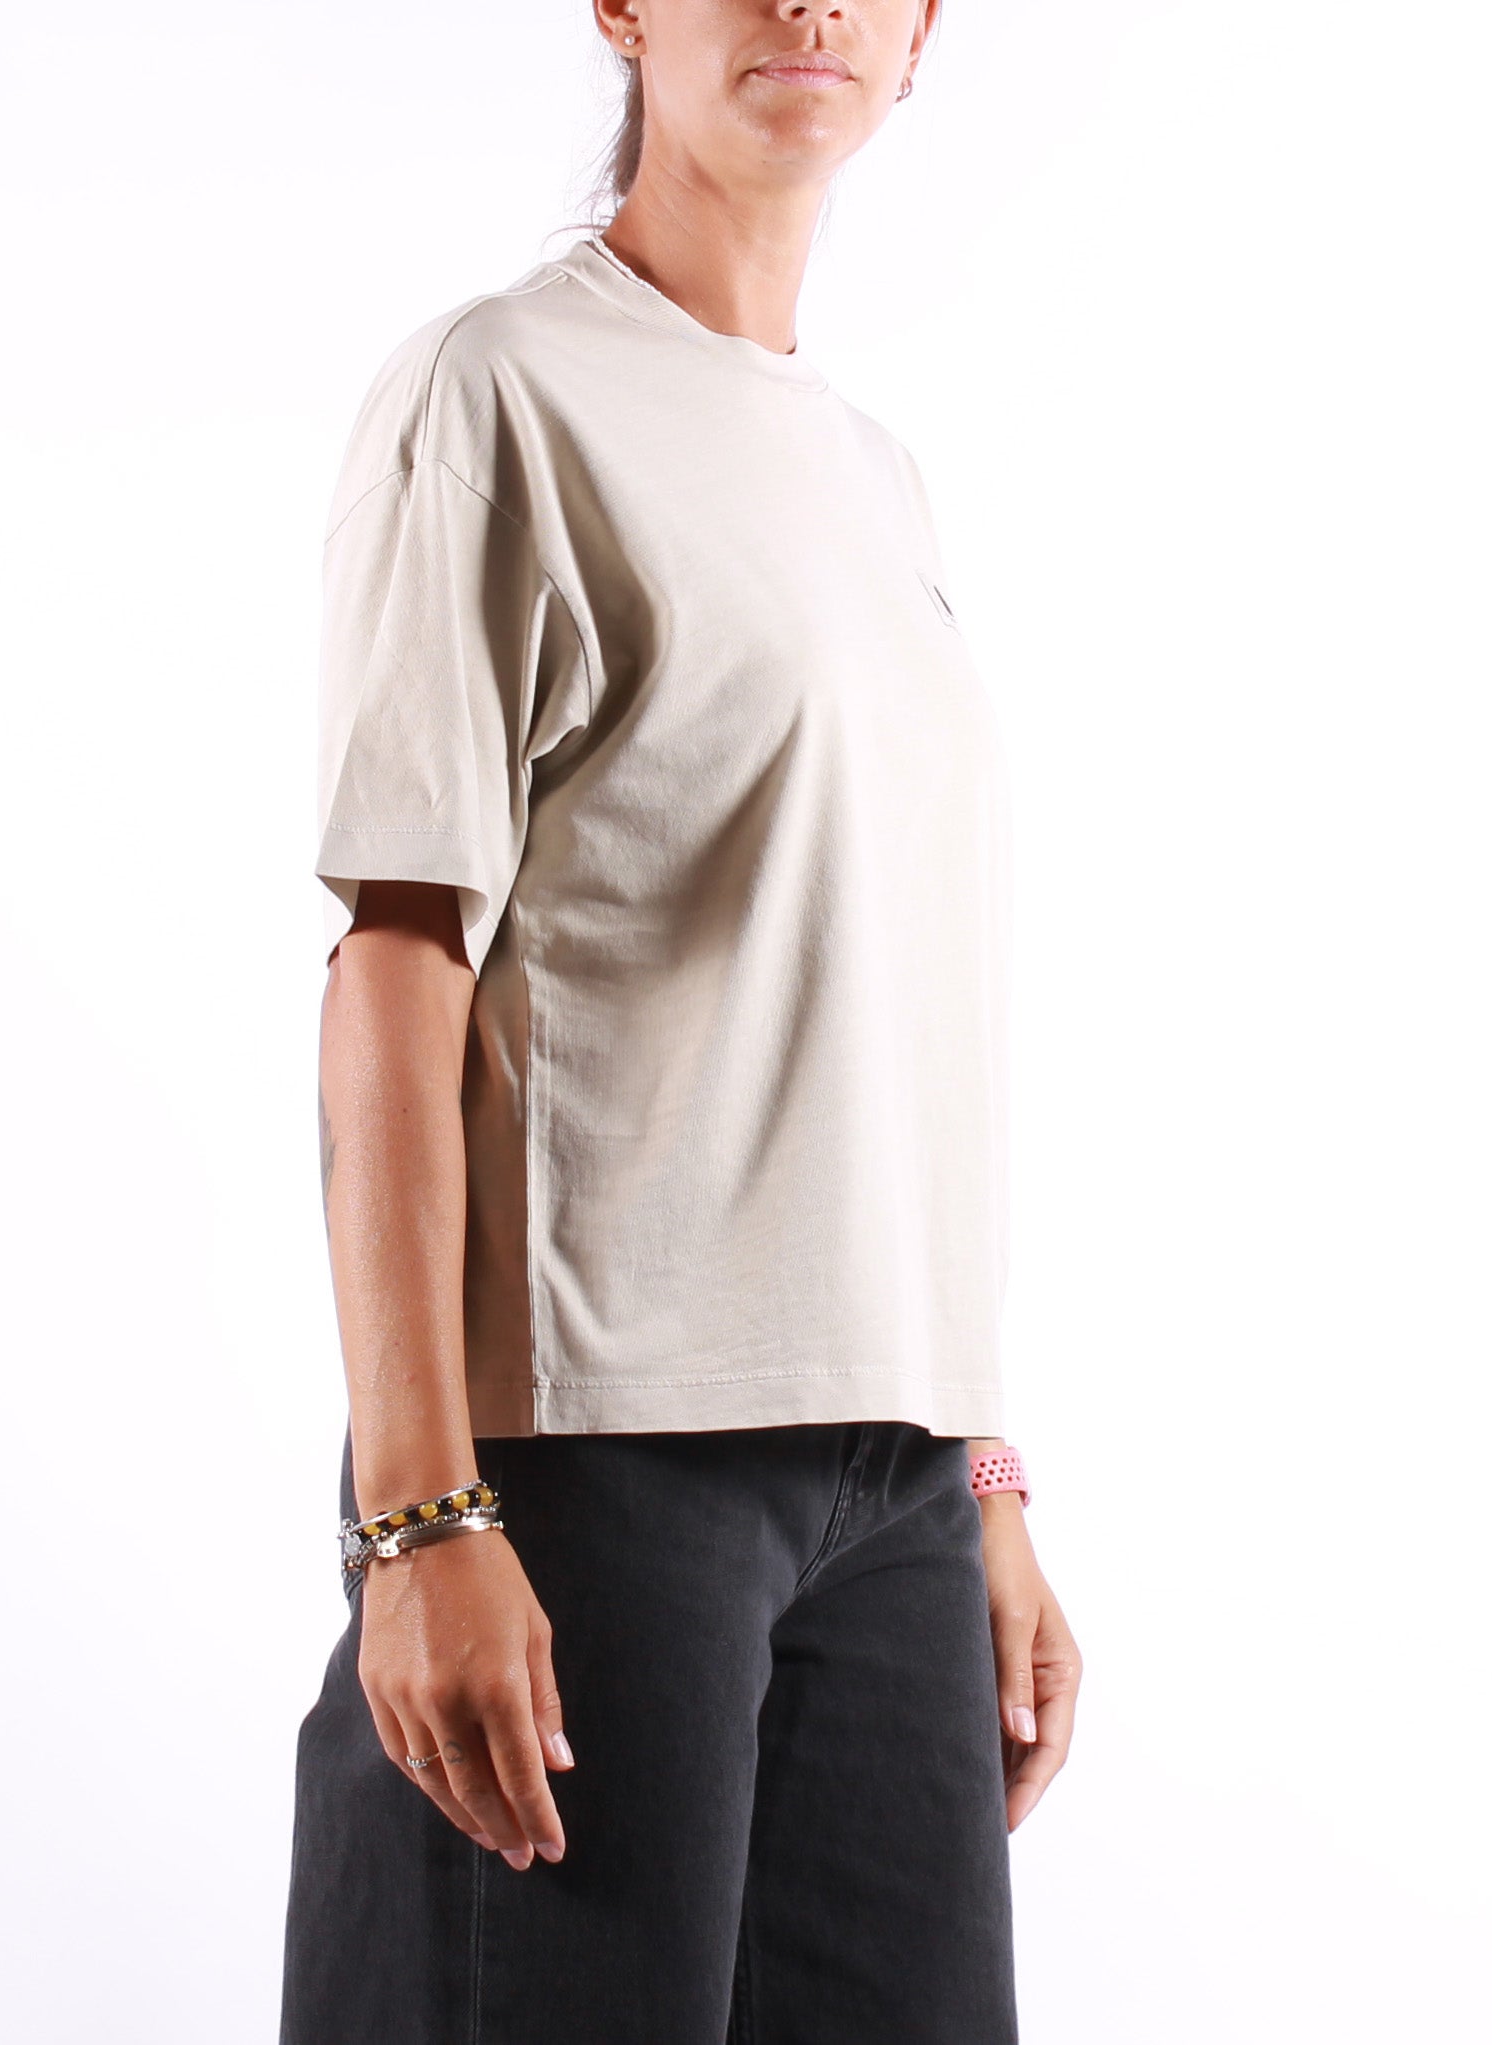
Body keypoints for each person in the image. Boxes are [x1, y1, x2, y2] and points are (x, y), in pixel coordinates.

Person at [280, 4, 1082, 2038]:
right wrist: (418, 1510)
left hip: (893, 1496)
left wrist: (981, 1473)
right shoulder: (503, 392)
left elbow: (884, 1018)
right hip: (592, 1463)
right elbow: (396, 960)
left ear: (925, 34)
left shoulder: (873, 474)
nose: (806, 8)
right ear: (624, 9)